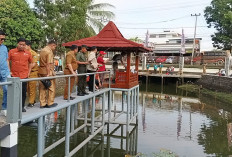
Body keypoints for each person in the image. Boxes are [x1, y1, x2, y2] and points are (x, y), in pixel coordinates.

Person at [8, 38, 33, 112]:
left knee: (23, 92)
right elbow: (7, 60)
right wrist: (9, 71)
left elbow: (31, 62)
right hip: (14, 76)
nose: (22, 46)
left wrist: (28, 72)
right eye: (20, 44)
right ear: (17, 44)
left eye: (23, 45)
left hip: (24, 76)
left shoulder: (28, 53)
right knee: (13, 93)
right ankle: (13, 107)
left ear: (25, 45)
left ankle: (21, 106)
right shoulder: (12, 51)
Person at [38, 40, 58, 108]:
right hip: (47, 71)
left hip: (41, 71)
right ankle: (50, 102)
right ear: (53, 45)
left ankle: (42, 103)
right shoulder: (49, 52)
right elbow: (48, 63)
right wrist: (49, 73)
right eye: (54, 47)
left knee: (42, 87)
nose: (54, 48)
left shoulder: (42, 50)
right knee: (51, 87)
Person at [26, 40, 39, 107]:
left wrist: (28, 72)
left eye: (25, 45)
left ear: (29, 46)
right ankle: (32, 100)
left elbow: (33, 63)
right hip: (26, 72)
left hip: (33, 72)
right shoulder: (25, 53)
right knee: (27, 88)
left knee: (32, 87)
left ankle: (31, 102)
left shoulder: (33, 53)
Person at [0, 30, 10, 115]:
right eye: (1, 39)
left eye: (3, 39)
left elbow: (7, 60)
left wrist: (9, 71)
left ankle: (4, 108)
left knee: (7, 89)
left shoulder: (4, 47)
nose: (2, 40)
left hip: (4, 71)